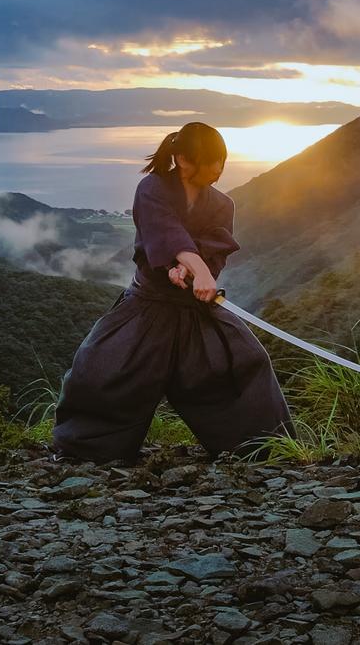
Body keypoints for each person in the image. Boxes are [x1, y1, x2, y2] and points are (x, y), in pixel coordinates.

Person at [50, 121, 296, 464]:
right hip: (148, 306)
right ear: (183, 159)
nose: (218, 169)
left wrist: (191, 269)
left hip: (195, 307)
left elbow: (214, 245)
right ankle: (85, 451)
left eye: (221, 160)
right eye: (211, 160)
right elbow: (164, 231)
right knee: (102, 370)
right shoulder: (152, 188)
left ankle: (263, 450)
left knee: (246, 362)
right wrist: (190, 266)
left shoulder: (222, 204)